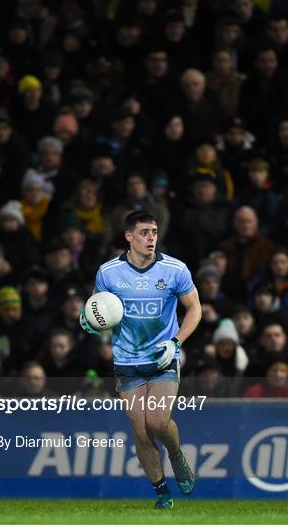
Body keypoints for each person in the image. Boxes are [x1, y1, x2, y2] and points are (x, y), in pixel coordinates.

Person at [79, 210, 202, 509]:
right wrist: (88, 321)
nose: (151, 238)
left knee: (158, 422)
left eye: (155, 232)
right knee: (141, 428)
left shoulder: (175, 269)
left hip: (162, 357)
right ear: (128, 236)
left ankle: (176, 455)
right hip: (126, 358)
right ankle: (162, 492)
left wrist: (176, 343)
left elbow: (195, 309)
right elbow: (98, 309)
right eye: (145, 232)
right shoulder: (108, 272)